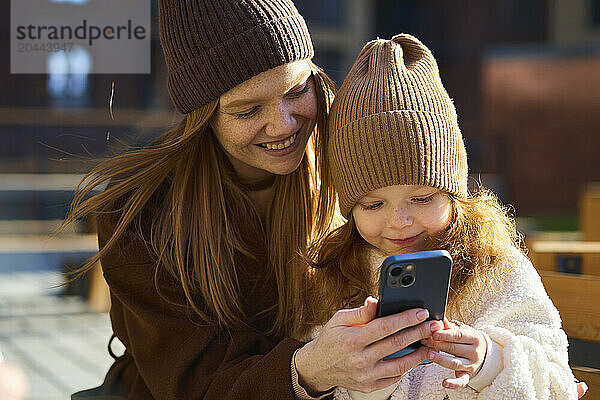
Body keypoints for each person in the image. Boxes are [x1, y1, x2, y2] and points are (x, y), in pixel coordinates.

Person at [66, 2, 443, 399]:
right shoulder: (139, 213)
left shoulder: (354, 152)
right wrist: (308, 370)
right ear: (203, 117)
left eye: (296, 90)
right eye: (247, 111)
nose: (284, 124)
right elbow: (192, 385)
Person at [300, 34, 581, 399]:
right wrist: (365, 381)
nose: (399, 221)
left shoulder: (496, 269)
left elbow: (556, 383)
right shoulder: (335, 278)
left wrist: (489, 362)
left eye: (421, 198)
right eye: (372, 205)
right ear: (349, 211)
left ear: (453, 192)